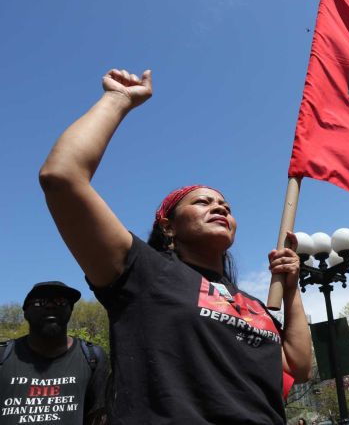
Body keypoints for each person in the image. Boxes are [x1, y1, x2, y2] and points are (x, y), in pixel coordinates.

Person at [39, 68, 312, 423]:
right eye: (202, 202)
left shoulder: (252, 305)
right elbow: (62, 177)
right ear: (168, 226)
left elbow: (299, 366)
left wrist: (292, 291)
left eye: (225, 206)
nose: (220, 207)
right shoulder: (142, 272)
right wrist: (118, 100)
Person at [0, 281, 108, 425]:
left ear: (70, 311)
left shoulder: (92, 357)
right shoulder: (3, 355)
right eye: (40, 302)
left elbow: (97, 417)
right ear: (25, 312)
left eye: (60, 301)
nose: (50, 306)